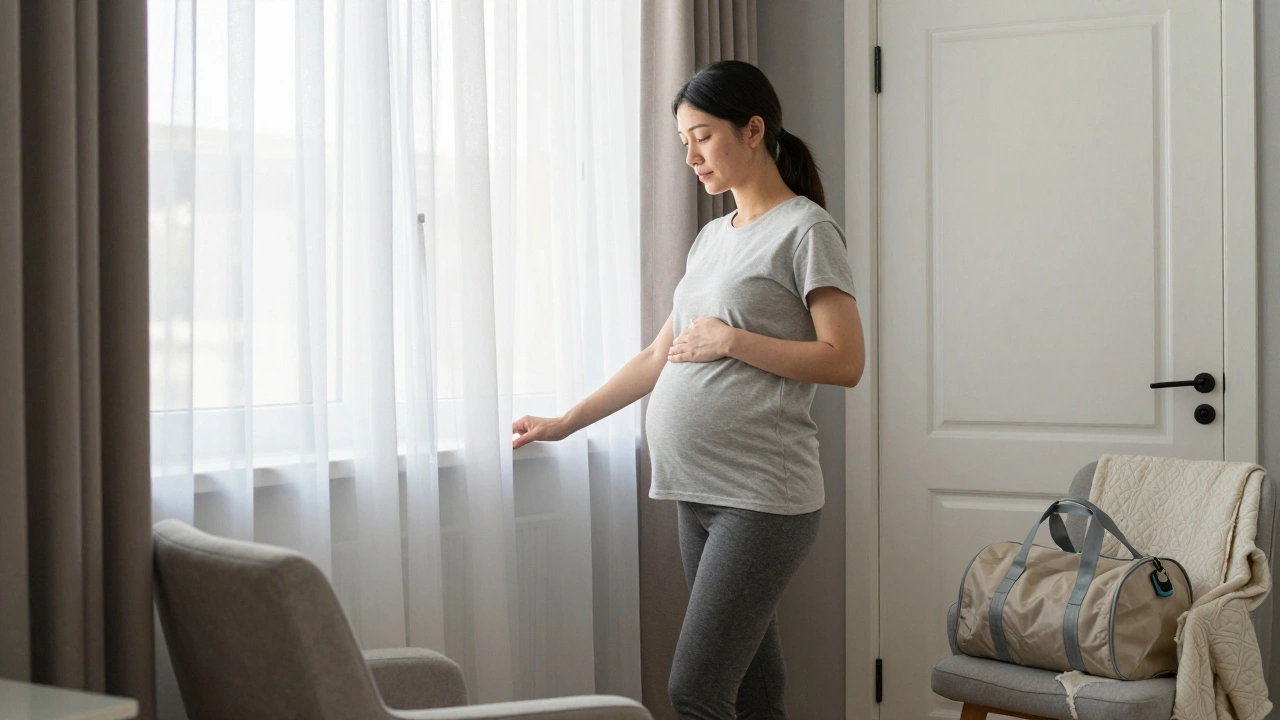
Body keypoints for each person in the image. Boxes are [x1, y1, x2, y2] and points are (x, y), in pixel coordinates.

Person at [512, 59, 865, 720]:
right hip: (696, 490)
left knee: (695, 689)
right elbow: (657, 356)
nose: (690, 155)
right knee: (755, 688)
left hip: (761, 498)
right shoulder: (710, 239)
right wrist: (563, 421)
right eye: (683, 142)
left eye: (702, 136)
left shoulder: (805, 231)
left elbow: (845, 360)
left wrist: (733, 341)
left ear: (753, 129)